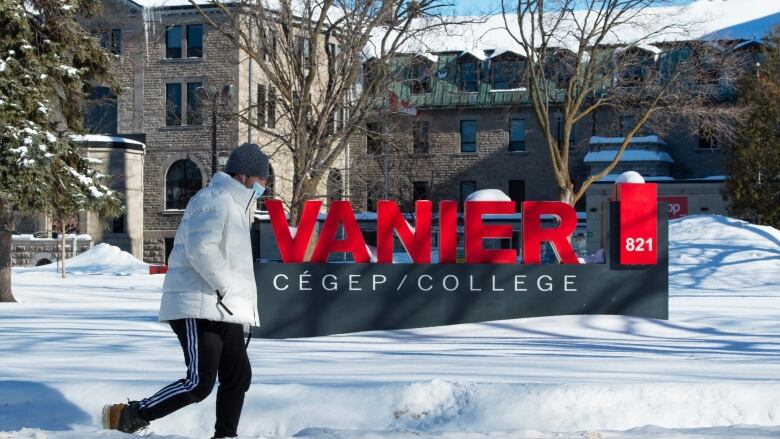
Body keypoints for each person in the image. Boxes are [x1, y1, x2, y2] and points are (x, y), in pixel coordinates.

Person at [102, 143, 270, 438]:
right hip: (198, 303)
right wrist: (225, 285)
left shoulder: (238, 206)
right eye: (262, 180)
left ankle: (226, 435)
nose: (264, 187)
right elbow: (200, 248)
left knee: (238, 376)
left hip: (223, 308)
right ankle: (130, 415)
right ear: (244, 176)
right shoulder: (214, 199)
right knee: (199, 383)